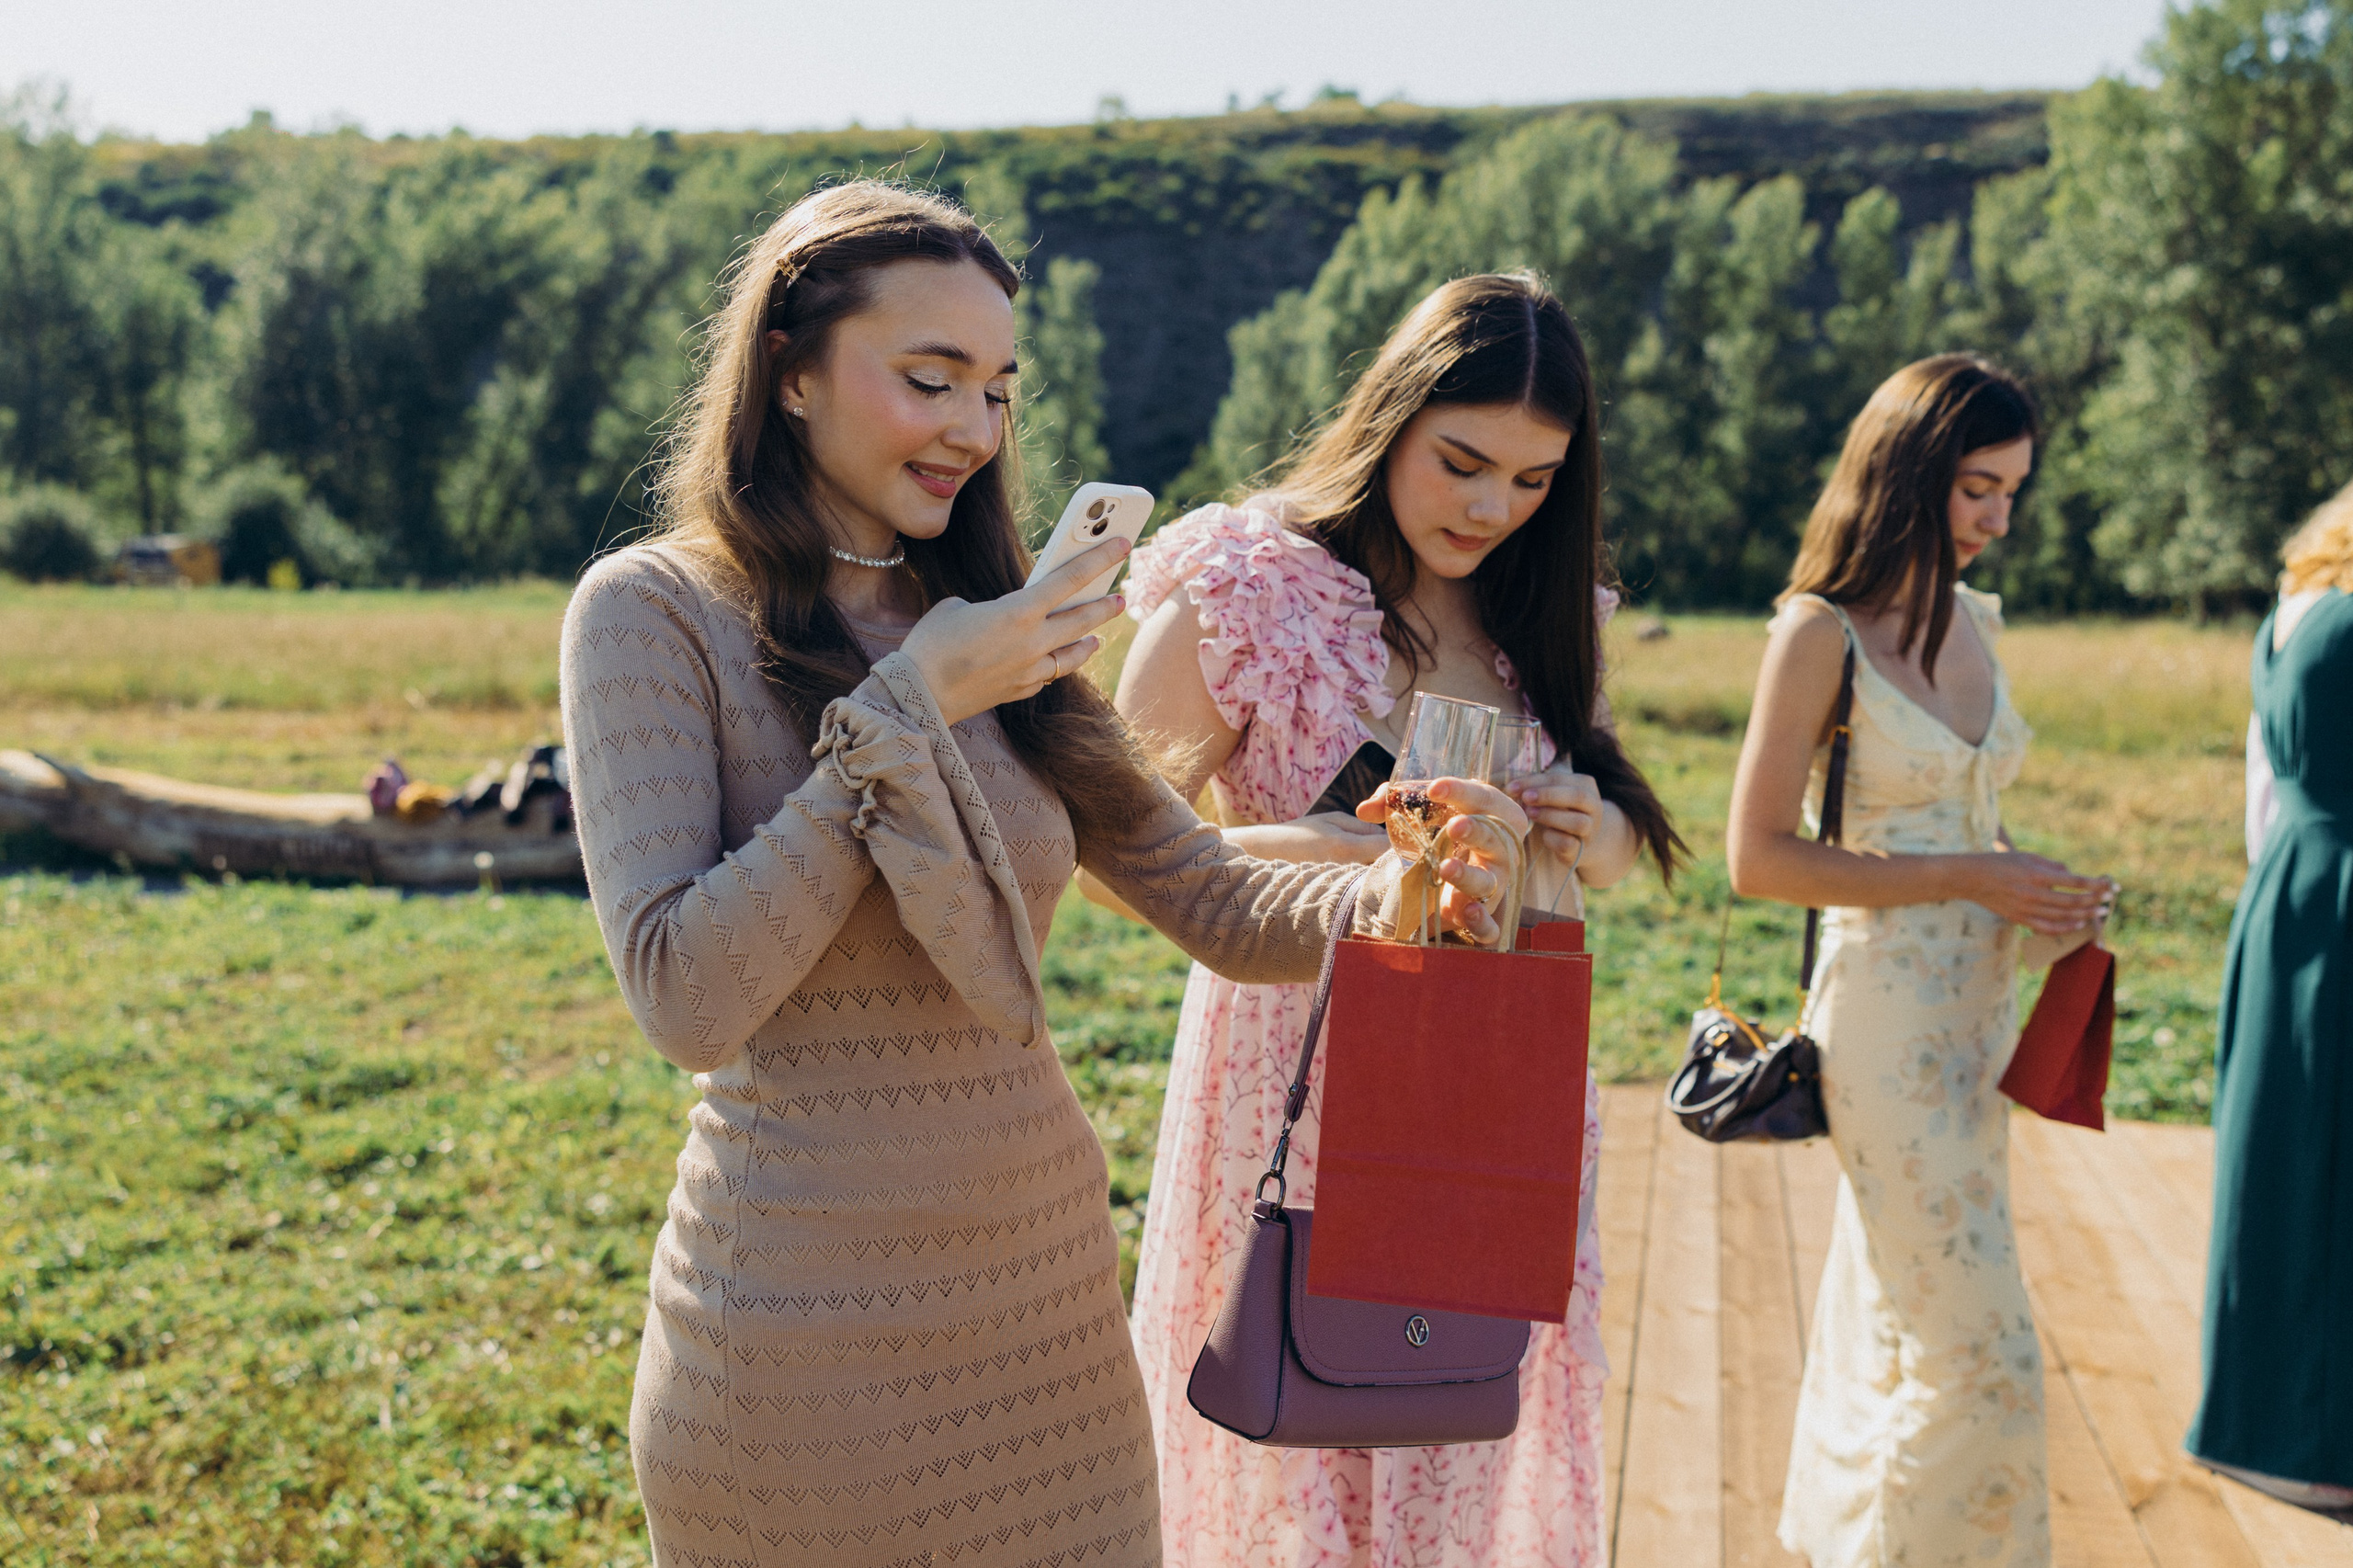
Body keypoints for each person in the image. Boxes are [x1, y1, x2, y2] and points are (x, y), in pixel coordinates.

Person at [556, 181, 1529, 1568]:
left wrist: (1402, 891)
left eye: (1000, 388)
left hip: (1044, 1320)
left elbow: (1216, 896)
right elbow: (684, 998)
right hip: (800, 1355)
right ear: (790, 374)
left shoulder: (1011, 620)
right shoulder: (652, 613)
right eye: (931, 378)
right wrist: (906, 705)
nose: (974, 426)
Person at [1108, 273, 1683, 1568]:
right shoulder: (1252, 582)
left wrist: (1586, 832)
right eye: (1464, 462)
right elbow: (1115, 849)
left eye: (1534, 479)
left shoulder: (1542, 610)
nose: (1492, 507)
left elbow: (1581, 836)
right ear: (1391, 418)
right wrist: (1353, 849)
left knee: (1453, 1445)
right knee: (1285, 1460)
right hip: (1290, 1082)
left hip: (1488, 1091)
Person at [1725, 355, 2113, 1568]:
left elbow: (1966, 828)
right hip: (1883, 1024)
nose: (2002, 520)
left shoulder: (1976, 623)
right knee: (1977, 1341)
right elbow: (1759, 857)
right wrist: (1967, 874)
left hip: (1980, 1007)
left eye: (2013, 492)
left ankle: (1859, 1540)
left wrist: (2034, 885)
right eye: (1980, 489)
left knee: (1897, 1308)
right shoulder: (1817, 631)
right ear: (1908, 475)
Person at [2186, 480, 2353, 1521]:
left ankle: (2258, 1418)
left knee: (2279, 1154)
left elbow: (2262, 788)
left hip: (2287, 888)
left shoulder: (2292, 611)